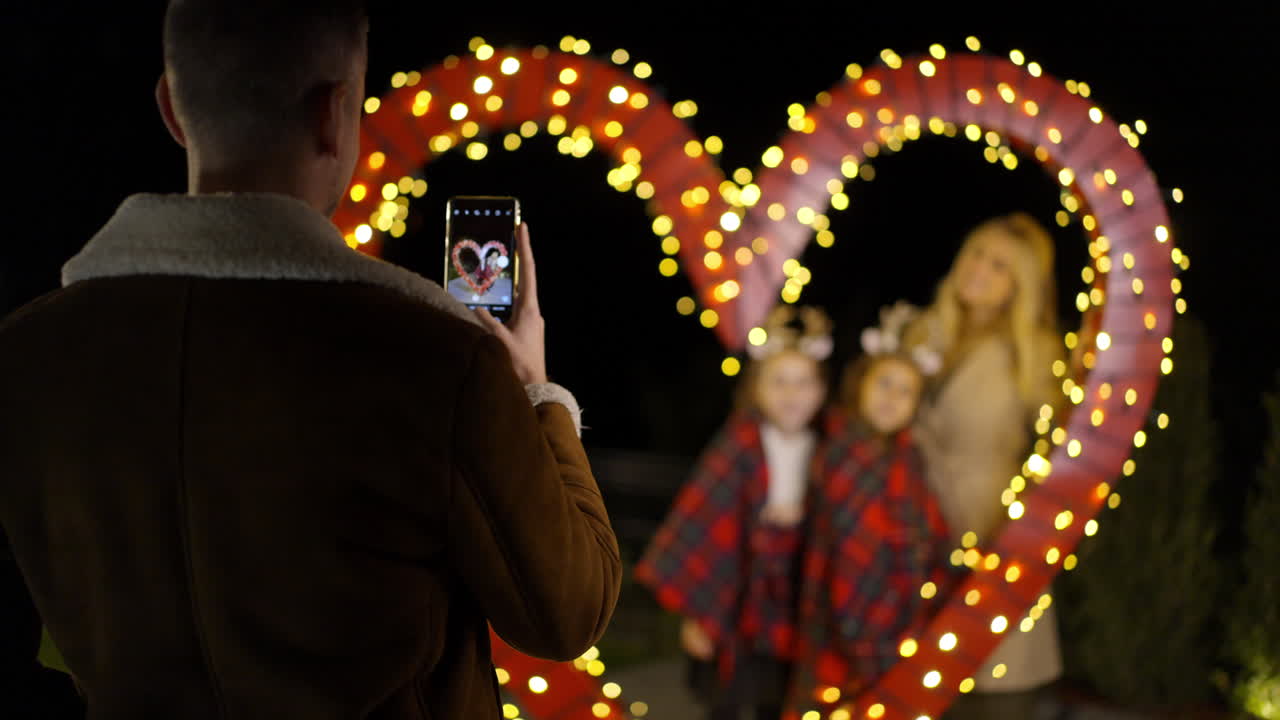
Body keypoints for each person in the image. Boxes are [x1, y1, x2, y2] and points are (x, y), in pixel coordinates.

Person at [0, 2, 621, 718]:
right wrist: (539, 394)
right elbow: (567, 612)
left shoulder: (26, 356)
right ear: (335, 113)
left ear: (172, 109)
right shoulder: (437, 358)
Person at [635, 306, 832, 720]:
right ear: (757, 388)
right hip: (737, 591)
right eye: (779, 381)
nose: (791, 394)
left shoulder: (828, 448)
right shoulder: (739, 443)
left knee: (777, 698)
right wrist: (698, 616)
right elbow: (705, 522)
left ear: (820, 390)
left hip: (791, 596)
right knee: (724, 697)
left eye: (803, 382)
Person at [903, 212, 1064, 719]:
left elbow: (1066, 455)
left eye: (1000, 266)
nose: (980, 270)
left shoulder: (1036, 355)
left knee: (995, 694)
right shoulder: (921, 332)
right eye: (977, 253)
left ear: (1021, 287)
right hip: (910, 535)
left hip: (992, 538)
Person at [785, 303, 955, 719]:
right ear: (861, 384)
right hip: (841, 615)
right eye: (884, 383)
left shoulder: (908, 458)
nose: (892, 398)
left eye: (905, 391)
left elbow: (925, 529)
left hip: (899, 613)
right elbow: (845, 545)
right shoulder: (842, 452)